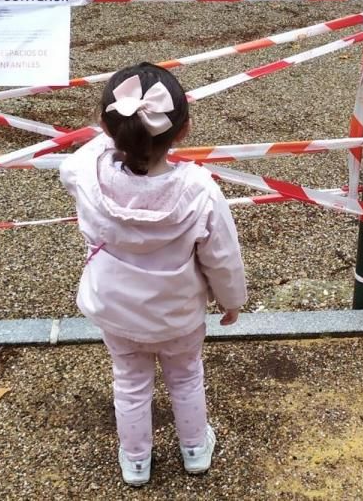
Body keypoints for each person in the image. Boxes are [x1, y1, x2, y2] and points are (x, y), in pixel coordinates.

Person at [60, 63, 246, 486]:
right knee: (185, 376)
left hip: (117, 311)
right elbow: (222, 255)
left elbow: (80, 158)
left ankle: (136, 462)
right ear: (184, 131)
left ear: (109, 129)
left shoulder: (86, 178)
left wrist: (107, 136)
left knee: (129, 382)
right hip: (178, 313)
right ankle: (196, 449)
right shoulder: (200, 189)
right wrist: (231, 300)